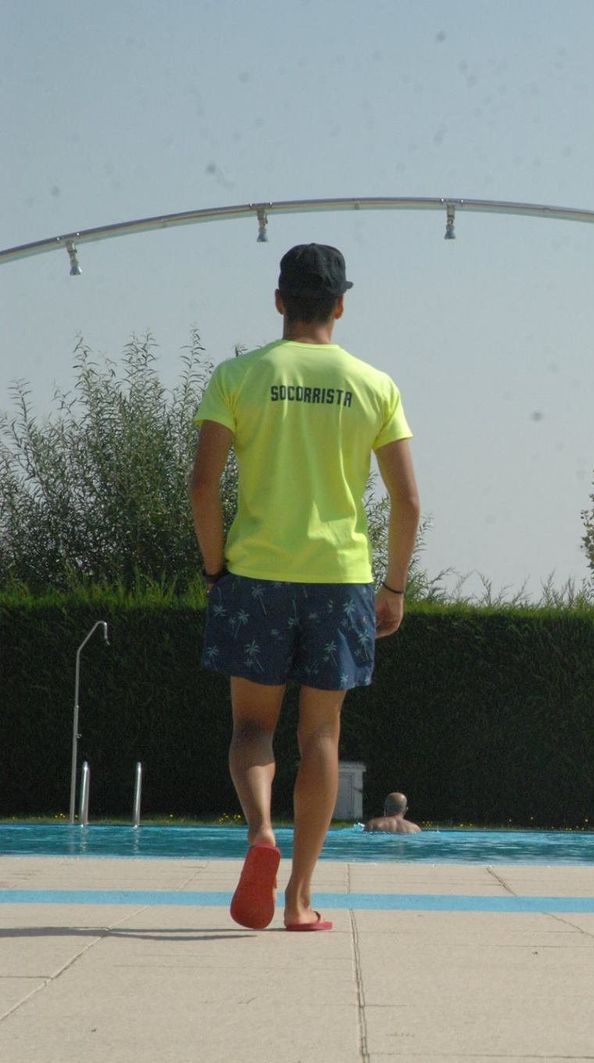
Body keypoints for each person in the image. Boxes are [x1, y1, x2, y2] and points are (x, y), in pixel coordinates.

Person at [189, 243, 420, 933]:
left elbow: (203, 485)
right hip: (340, 578)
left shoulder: (239, 375)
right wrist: (396, 587)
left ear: (280, 300)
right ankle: (297, 899)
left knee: (252, 726)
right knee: (320, 734)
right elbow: (407, 502)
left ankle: (261, 829)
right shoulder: (374, 384)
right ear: (342, 305)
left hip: (256, 572)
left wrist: (214, 566)